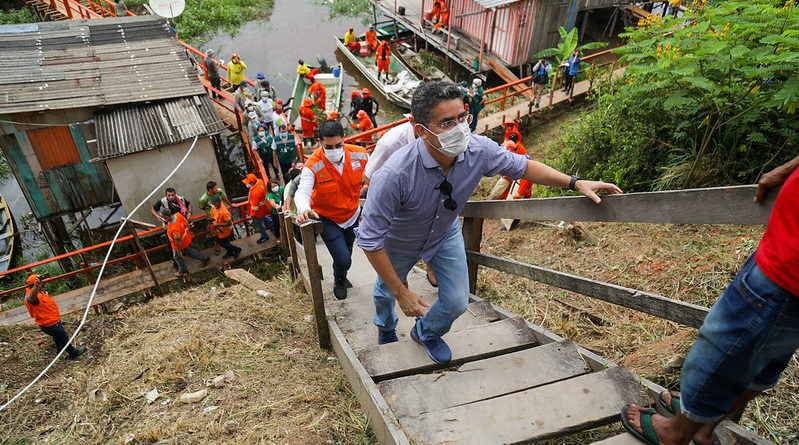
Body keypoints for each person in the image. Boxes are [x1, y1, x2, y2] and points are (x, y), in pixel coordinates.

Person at [356, 81, 621, 363]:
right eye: (447, 122)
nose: (460, 128)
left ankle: (427, 331)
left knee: (457, 301)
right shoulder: (395, 174)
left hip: (444, 233)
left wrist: (575, 182)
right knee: (386, 292)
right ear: (421, 130)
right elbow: (370, 240)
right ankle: (385, 326)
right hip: (400, 240)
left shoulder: (478, 150)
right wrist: (403, 292)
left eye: (462, 118)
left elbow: (523, 167)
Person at [620, 155, 799, 445]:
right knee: (764, 358)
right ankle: (702, 427)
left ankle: (675, 434)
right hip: (783, 255)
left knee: (718, 353)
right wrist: (790, 169)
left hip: (786, 271)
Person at [296, 120, 369, 300]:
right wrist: (304, 208)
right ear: (320, 141)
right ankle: (339, 279)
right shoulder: (313, 164)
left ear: (344, 138)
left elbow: (375, 177)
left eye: (339, 145)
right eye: (329, 146)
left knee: (347, 254)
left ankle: (342, 275)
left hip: (352, 215)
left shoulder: (360, 155)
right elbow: (302, 191)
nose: (334, 149)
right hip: (328, 218)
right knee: (344, 259)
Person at [24, 274, 86, 360]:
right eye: (42, 283)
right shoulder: (32, 296)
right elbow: (31, 298)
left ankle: (59, 352)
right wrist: (36, 286)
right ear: (36, 284)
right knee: (63, 337)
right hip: (49, 324)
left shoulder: (40, 293)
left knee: (57, 337)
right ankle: (72, 353)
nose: (43, 285)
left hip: (53, 321)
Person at [161, 207, 210, 276]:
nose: (162, 219)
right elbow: (186, 223)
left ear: (166, 217)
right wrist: (190, 232)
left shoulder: (174, 228)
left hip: (180, 245)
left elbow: (177, 240)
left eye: (163, 217)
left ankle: (183, 271)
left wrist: (178, 251)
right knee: (190, 252)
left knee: (177, 257)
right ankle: (203, 258)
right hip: (185, 239)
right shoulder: (178, 215)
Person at [198, 181, 232, 254]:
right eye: (214, 188)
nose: (216, 189)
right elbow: (202, 207)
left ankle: (227, 244)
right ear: (210, 190)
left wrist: (231, 205)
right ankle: (217, 245)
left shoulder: (219, 191)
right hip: (212, 217)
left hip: (220, 215)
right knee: (214, 232)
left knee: (223, 230)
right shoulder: (203, 199)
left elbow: (224, 198)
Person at [242, 173, 272, 244]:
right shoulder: (259, 181)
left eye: (248, 182)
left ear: (252, 182)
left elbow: (255, 206)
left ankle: (264, 236)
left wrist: (251, 215)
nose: (246, 184)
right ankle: (273, 225)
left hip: (258, 211)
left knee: (260, 224)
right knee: (264, 218)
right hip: (263, 207)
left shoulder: (256, 192)